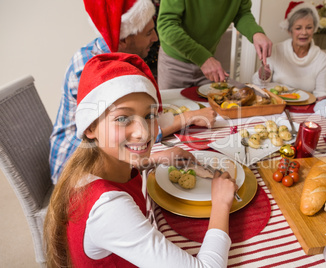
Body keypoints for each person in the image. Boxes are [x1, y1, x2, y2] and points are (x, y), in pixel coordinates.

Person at [44, 53, 238, 267]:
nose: (143, 133)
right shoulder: (109, 209)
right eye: (122, 118)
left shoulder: (91, 165)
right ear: (90, 127)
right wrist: (221, 203)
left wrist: (157, 158)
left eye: (150, 116)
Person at [49, 0, 217, 184]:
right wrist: (157, 154)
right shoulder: (93, 69)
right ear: (123, 39)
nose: (155, 38)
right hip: (75, 170)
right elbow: (118, 136)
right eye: (148, 32)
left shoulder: (122, 61)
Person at [156, 0, 273, 89]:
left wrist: (255, 32)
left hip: (208, 63)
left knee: (211, 115)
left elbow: (241, 13)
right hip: (174, 63)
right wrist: (203, 58)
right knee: (171, 114)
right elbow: (167, 26)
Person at [252, 1, 326, 100]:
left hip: (304, 109)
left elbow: (321, 92)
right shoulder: (276, 50)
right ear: (289, 30)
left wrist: (322, 100)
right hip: (275, 104)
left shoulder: (321, 57)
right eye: (298, 28)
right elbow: (257, 83)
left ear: (314, 29)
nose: (304, 32)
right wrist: (263, 76)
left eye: (309, 28)